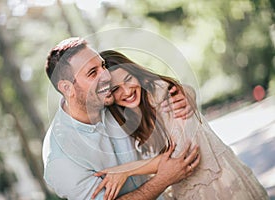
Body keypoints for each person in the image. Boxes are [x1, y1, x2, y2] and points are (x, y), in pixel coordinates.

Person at [91, 50, 269, 200]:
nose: (127, 91)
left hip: (219, 186)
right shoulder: (130, 117)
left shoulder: (165, 95)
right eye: (115, 89)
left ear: (137, 74)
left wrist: (126, 170)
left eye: (128, 79)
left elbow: (182, 157)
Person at [42, 37, 200, 200]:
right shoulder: (60, 158)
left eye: (102, 66)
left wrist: (181, 94)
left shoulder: (109, 100)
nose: (106, 76)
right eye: (92, 73)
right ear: (67, 88)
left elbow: (152, 90)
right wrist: (163, 180)